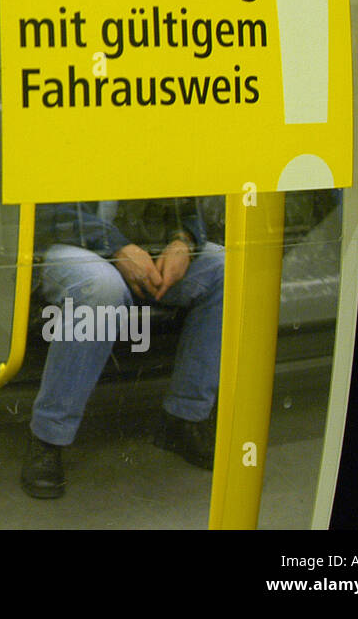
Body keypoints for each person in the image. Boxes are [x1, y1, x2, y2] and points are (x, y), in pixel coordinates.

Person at [20, 198, 224, 499]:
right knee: (102, 287)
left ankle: (185, 417)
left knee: (225, 266)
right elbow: (46, 212)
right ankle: (49, 436)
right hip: (69, 245)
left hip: (144, 247)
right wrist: (116, 247)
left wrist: (184, 240)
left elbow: (188, 197)